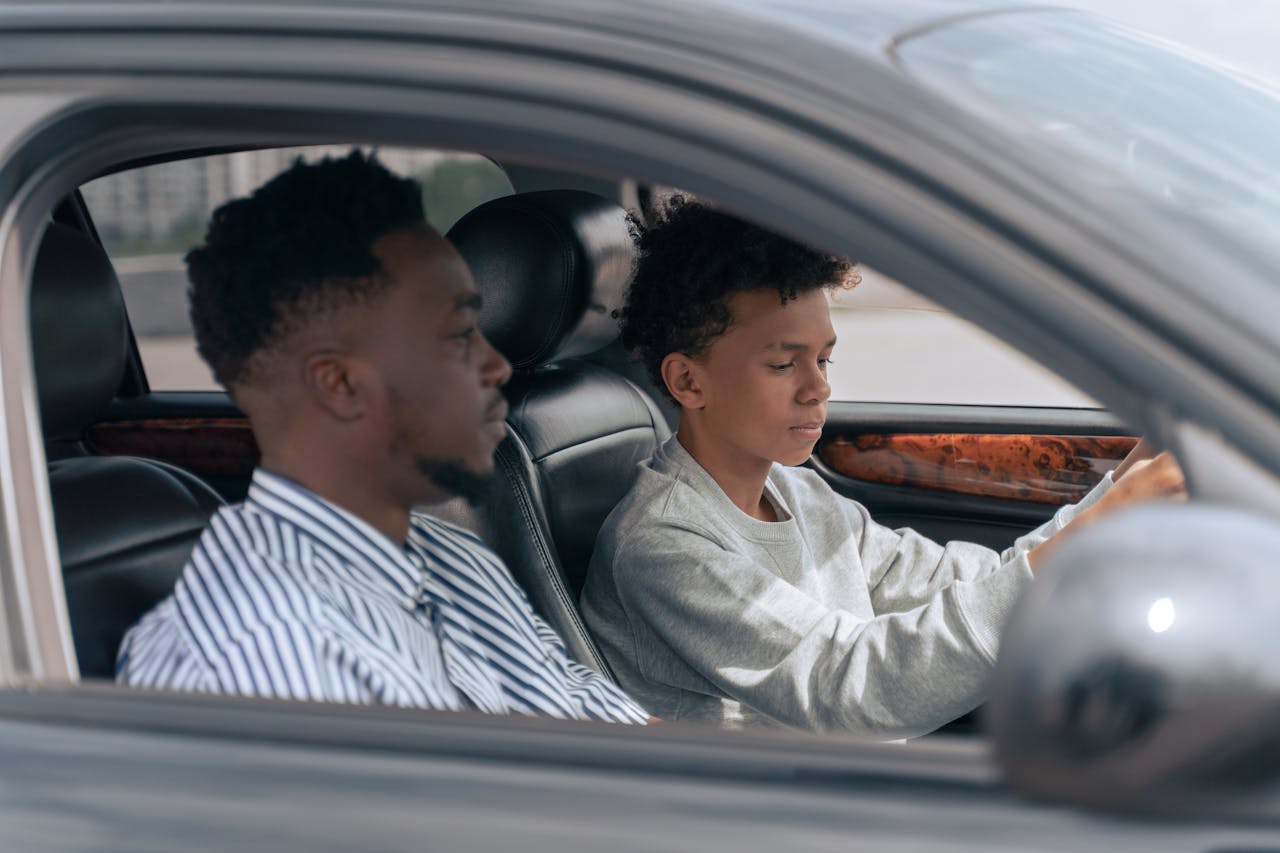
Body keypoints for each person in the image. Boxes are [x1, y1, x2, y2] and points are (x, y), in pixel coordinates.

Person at [580, 197, 1183, 737]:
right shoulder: (663, 545)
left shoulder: (801, 495)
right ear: (689, 382)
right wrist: (1099, 529)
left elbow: (974, 584)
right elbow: (849, 686)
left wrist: (1124, 485)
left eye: (824, 360)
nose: (818, 388)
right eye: (783, 365)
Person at [117, 151, 647, 724]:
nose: (496, 366)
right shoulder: (269, 653)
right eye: (457, 337)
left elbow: (615, 727)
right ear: (341, 384)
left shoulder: (454, 560)